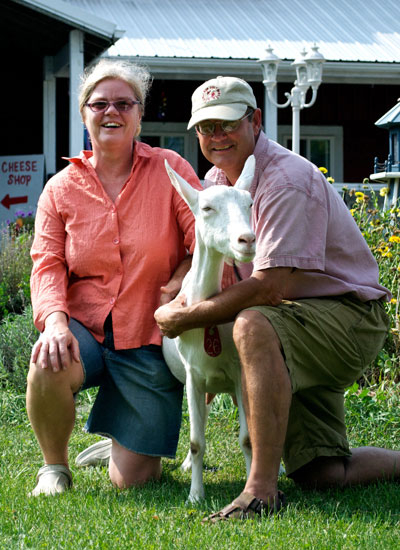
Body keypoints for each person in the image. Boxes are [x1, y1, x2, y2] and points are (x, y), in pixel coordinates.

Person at [154, 76, 400, 521]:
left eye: (228, 124)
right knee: (321, 472)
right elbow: (213, 263)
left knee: (250, 322)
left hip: (346, 318)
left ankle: (260, 491)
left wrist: (188, 321)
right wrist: (182, 303)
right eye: (207, 128)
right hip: (296, 322)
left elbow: (270, 287)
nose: (217, 136)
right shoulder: (220, 180)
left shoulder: (285, 180)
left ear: (256, 121)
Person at [26, 58, 201, 496]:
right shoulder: (60, 188)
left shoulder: (171, 169)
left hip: (148, 334)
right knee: (47, 360)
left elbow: (206, 238)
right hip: (84, 328)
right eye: (100, 103)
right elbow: (46, 262)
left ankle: (121, 441)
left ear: (140, 115)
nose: (112, 112)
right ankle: (54, 468)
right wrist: (55, 322)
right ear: (84, 113)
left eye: (125, 103)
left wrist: (183, 275)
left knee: (134, 482)